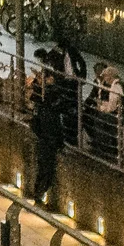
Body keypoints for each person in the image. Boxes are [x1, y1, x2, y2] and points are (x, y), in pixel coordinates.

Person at [30, 63, 75, 208]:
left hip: (45, 140)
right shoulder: (50, 102)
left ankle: (38, 194)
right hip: (48, 141)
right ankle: (39, 195)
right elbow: (55, 125)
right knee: (46, 169)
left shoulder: (42, 103)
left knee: (43, 168)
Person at [85, 64, 124, 161]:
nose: (104, 77)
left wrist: (100, 107)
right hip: (113, 112)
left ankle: (104, 149)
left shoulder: (115, 87)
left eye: (105, 75)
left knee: (100, 120)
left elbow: (111, 107)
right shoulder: (114, 85)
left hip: (114, 114)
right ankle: (105, 148)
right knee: (94, 118)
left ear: (110, 76)